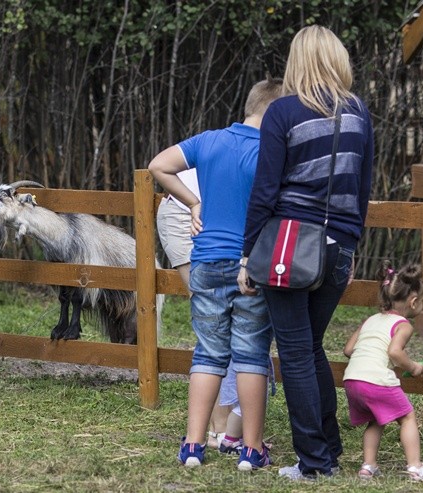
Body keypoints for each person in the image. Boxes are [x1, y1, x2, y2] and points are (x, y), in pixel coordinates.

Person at [238, 26, 374, 479]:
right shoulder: (359, 113)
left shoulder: (283, 112)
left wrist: (247, 254)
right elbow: (362, 190)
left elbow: (266, 190)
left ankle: (314, 463)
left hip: (289, 247)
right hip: (337, 248)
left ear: (298, 60)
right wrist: (351, 247)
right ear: (337, 59)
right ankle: (328, 450)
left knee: (295, 352)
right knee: (311, 347)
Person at [149, 77, 283, 471]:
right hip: (249, 264)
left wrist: (193, 202)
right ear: (275, 113)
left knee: (208, 352)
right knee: (251, 355)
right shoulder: (272, 152)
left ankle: (193, 446)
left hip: (206, 261)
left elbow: (159, 165)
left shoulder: (209, 140)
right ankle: (251, 449)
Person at [156, 171, 244, 454]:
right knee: (215, 322)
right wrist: (193, 203)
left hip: (215, 216)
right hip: (185, 215)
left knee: (226, 321)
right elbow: (160, 165)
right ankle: (219, 429)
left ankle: (225, 427)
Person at [343, 261, 423, 481]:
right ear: (413, 302)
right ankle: (415, 466)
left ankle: (368, 466)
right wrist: (413, 366)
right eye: (421, 300)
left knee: (377, 419)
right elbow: (395, 352)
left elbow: (348, 350)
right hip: (376, 382)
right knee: (407, 417)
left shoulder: (370, 320)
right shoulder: (403, 325)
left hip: (352, 381)